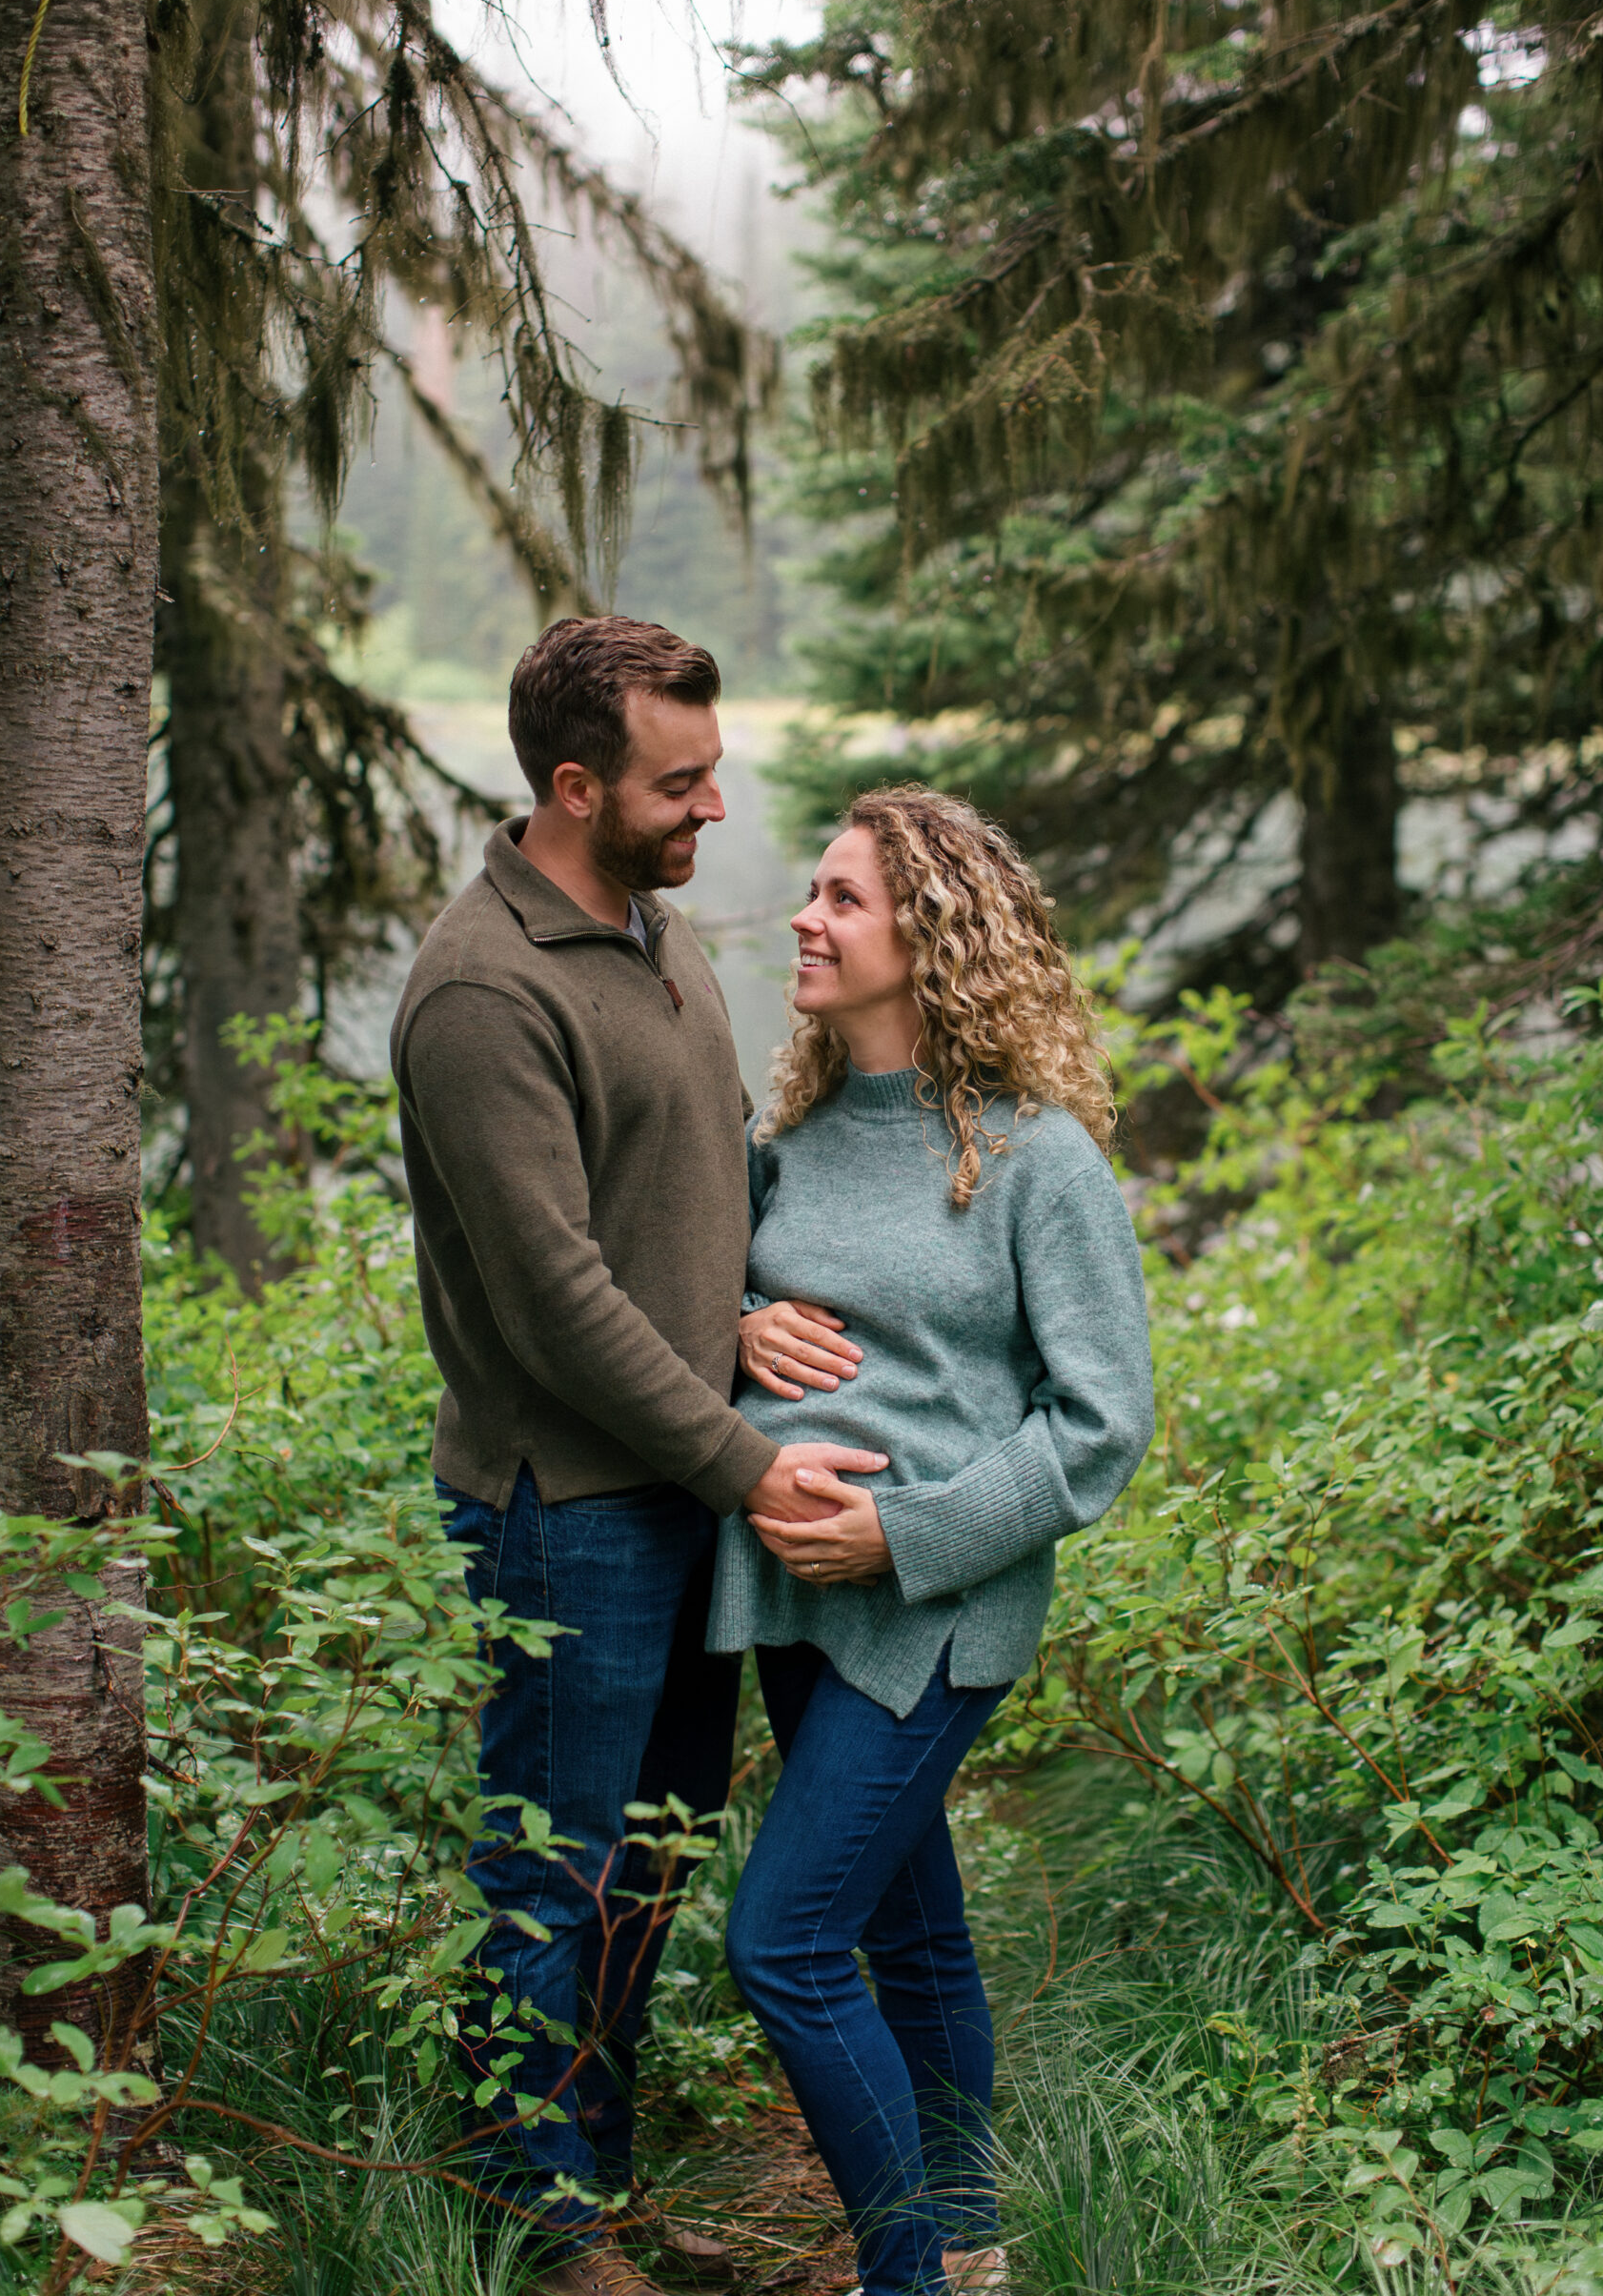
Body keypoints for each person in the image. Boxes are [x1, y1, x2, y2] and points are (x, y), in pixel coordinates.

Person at [389, 617, 887, 2296]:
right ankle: (539, 2229)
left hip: (678, 1491)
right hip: (572, 1516)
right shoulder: (482, 991)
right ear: (576, 782)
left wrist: (737, 1305)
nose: (717, 808)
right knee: (553, 1864)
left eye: (714, 768)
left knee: (647, 1862)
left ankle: (593, 2180)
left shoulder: (649, 934)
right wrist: (750, 1466)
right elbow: (554, 1309)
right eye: (681, 781)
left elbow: (681, 1197)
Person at [708, 785, 1155, 2296]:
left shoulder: (1038, 1161)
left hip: (929, 1609)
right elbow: (734, 1321)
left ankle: (898, 2279)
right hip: (792, 1595)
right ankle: (967, 2241)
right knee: (908, 1930)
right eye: (812, 893)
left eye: (839, 898)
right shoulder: (798, 1132)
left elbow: (1098, 1423)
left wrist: (900, 1535)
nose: (802, 919)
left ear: (932, 935)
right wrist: (737, 1318)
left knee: (781, 1945)